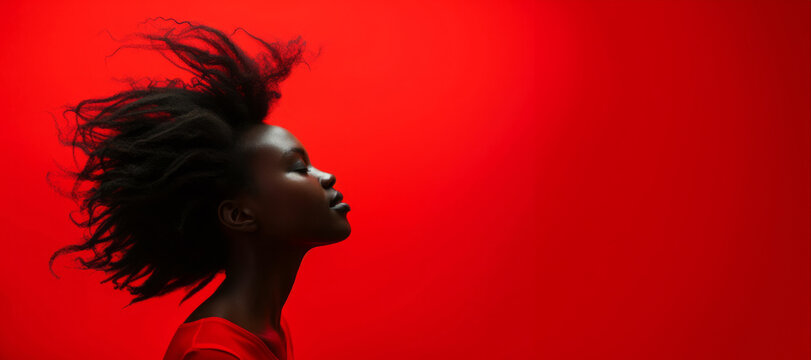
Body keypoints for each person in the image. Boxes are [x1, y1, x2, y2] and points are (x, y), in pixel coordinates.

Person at [48, 20, 350, 360]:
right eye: (298, 168)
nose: (327, 176)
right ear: (239, 214)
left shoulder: (265, 329)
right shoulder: (213, 353)